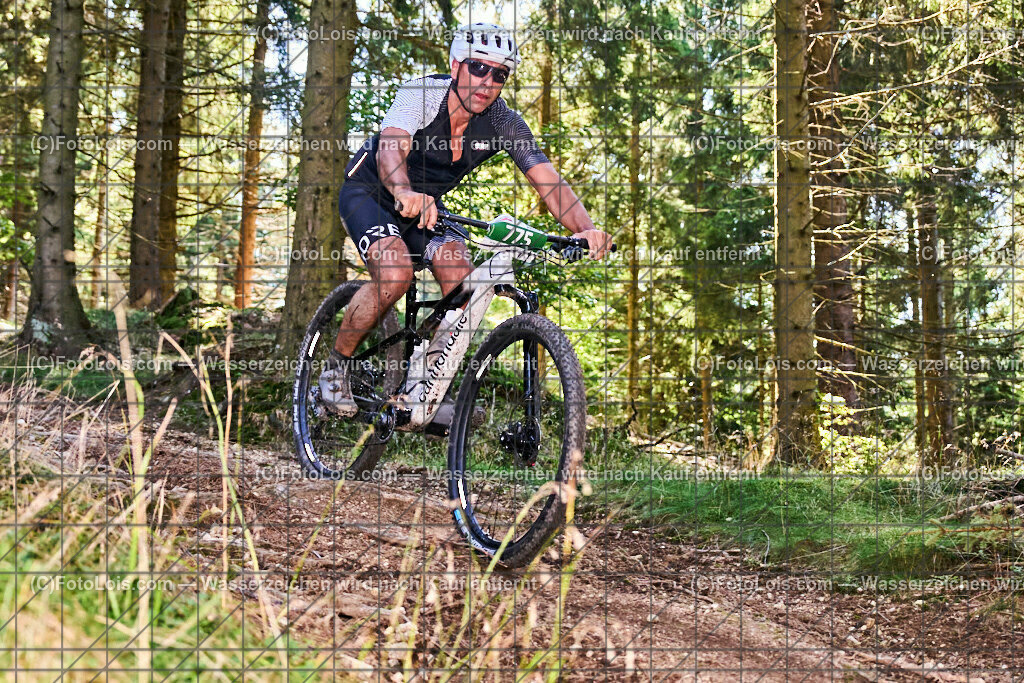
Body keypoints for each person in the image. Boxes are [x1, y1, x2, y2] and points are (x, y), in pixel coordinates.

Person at [321, 22, 613, 419]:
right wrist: (404, 193)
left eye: (500, 74)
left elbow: (548, 182)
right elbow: (391, 148)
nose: (488, 81)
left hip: (428, 210)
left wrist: (585, 228)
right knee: (394, 274)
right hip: (372, 192)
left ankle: (423, 390)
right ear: (456, 64)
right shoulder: (422, 93)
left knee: (464, 279)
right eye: (478, 68)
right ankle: (336, 365)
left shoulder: (504, 122)